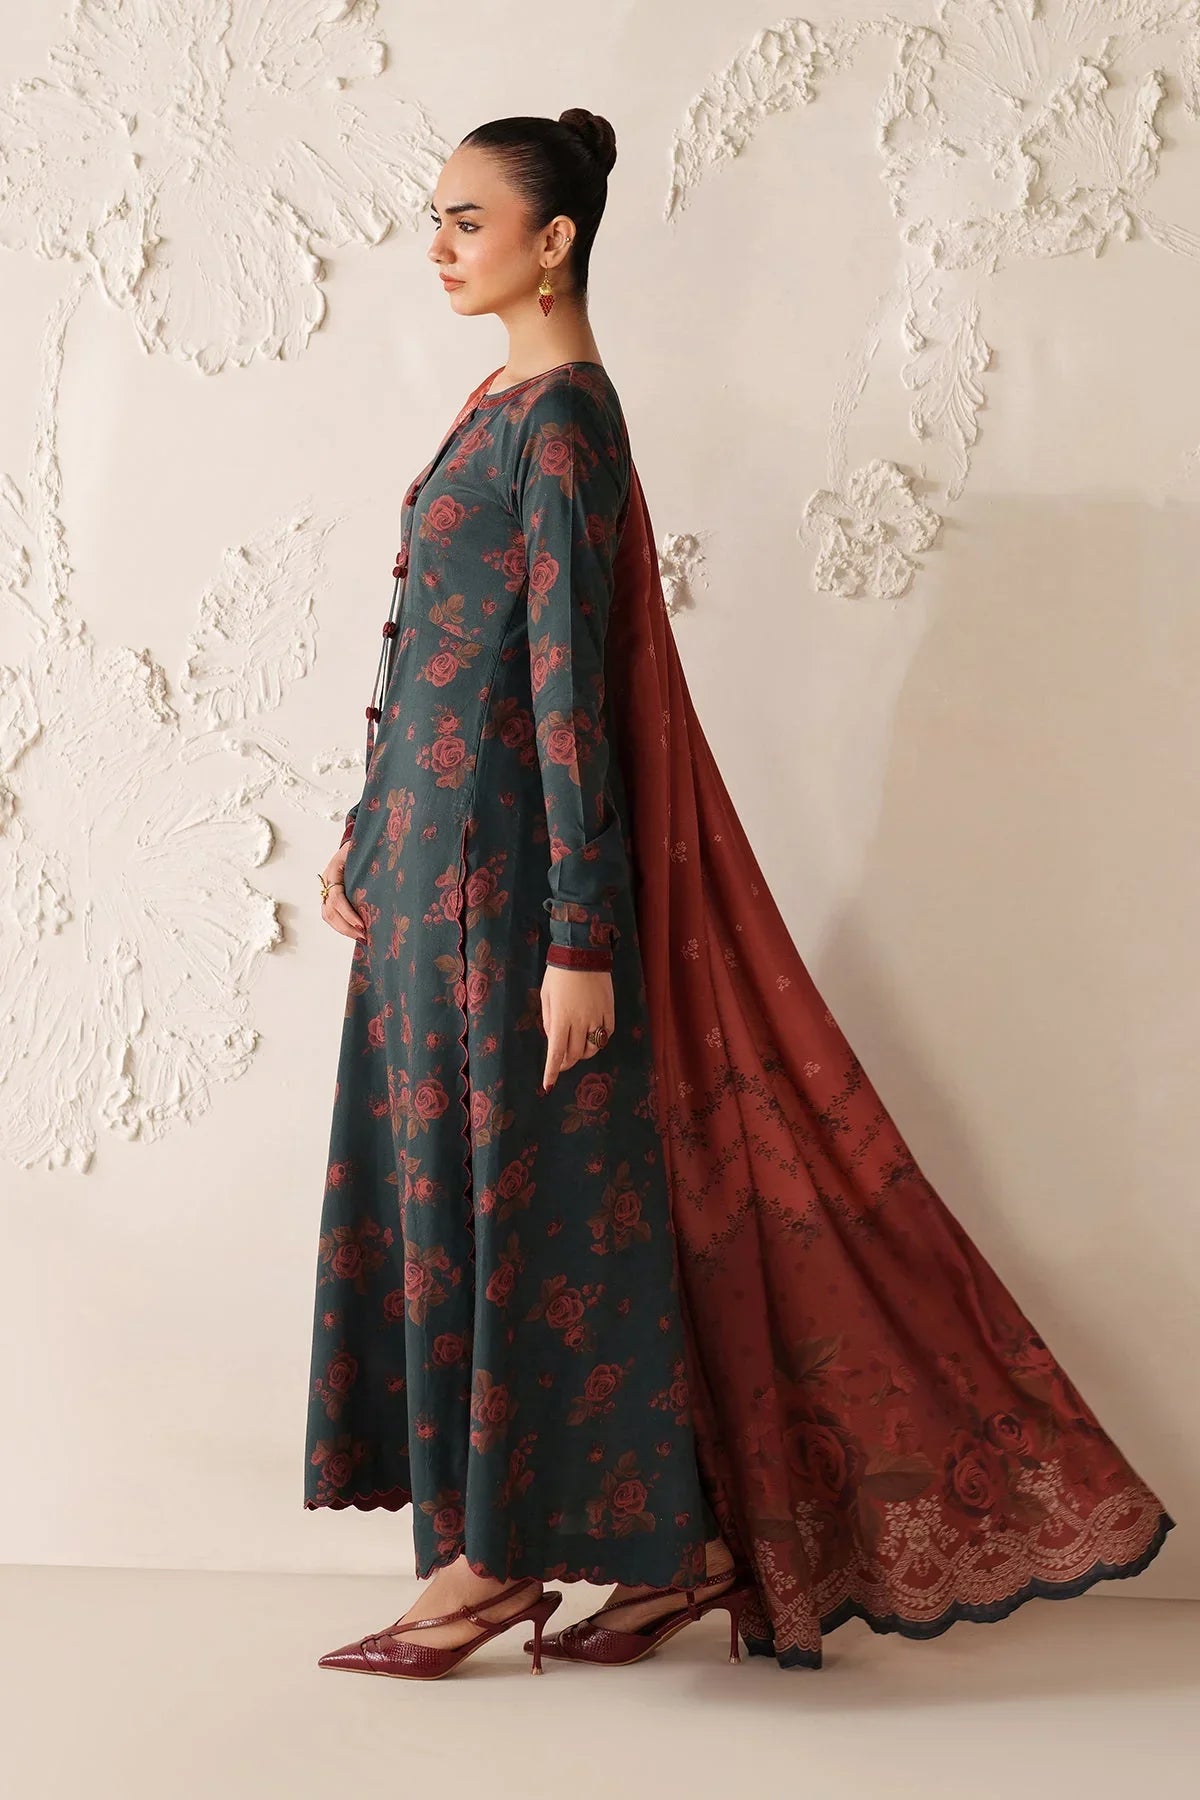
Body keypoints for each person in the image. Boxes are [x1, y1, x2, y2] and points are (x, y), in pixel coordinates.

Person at [305, 110, 1174, 1682]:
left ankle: (492, 1568)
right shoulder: (495, 403)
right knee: (461, 1199)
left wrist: (583, 937)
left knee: (521, 1219)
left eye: (466, 219)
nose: (436, 244)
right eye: (434, 217)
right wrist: (371, 836)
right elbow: (431, 649)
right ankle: (687, 1551)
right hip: (433, 885)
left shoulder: (564, 422)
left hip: (510, 897)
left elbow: (565, 691)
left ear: (554, 241)